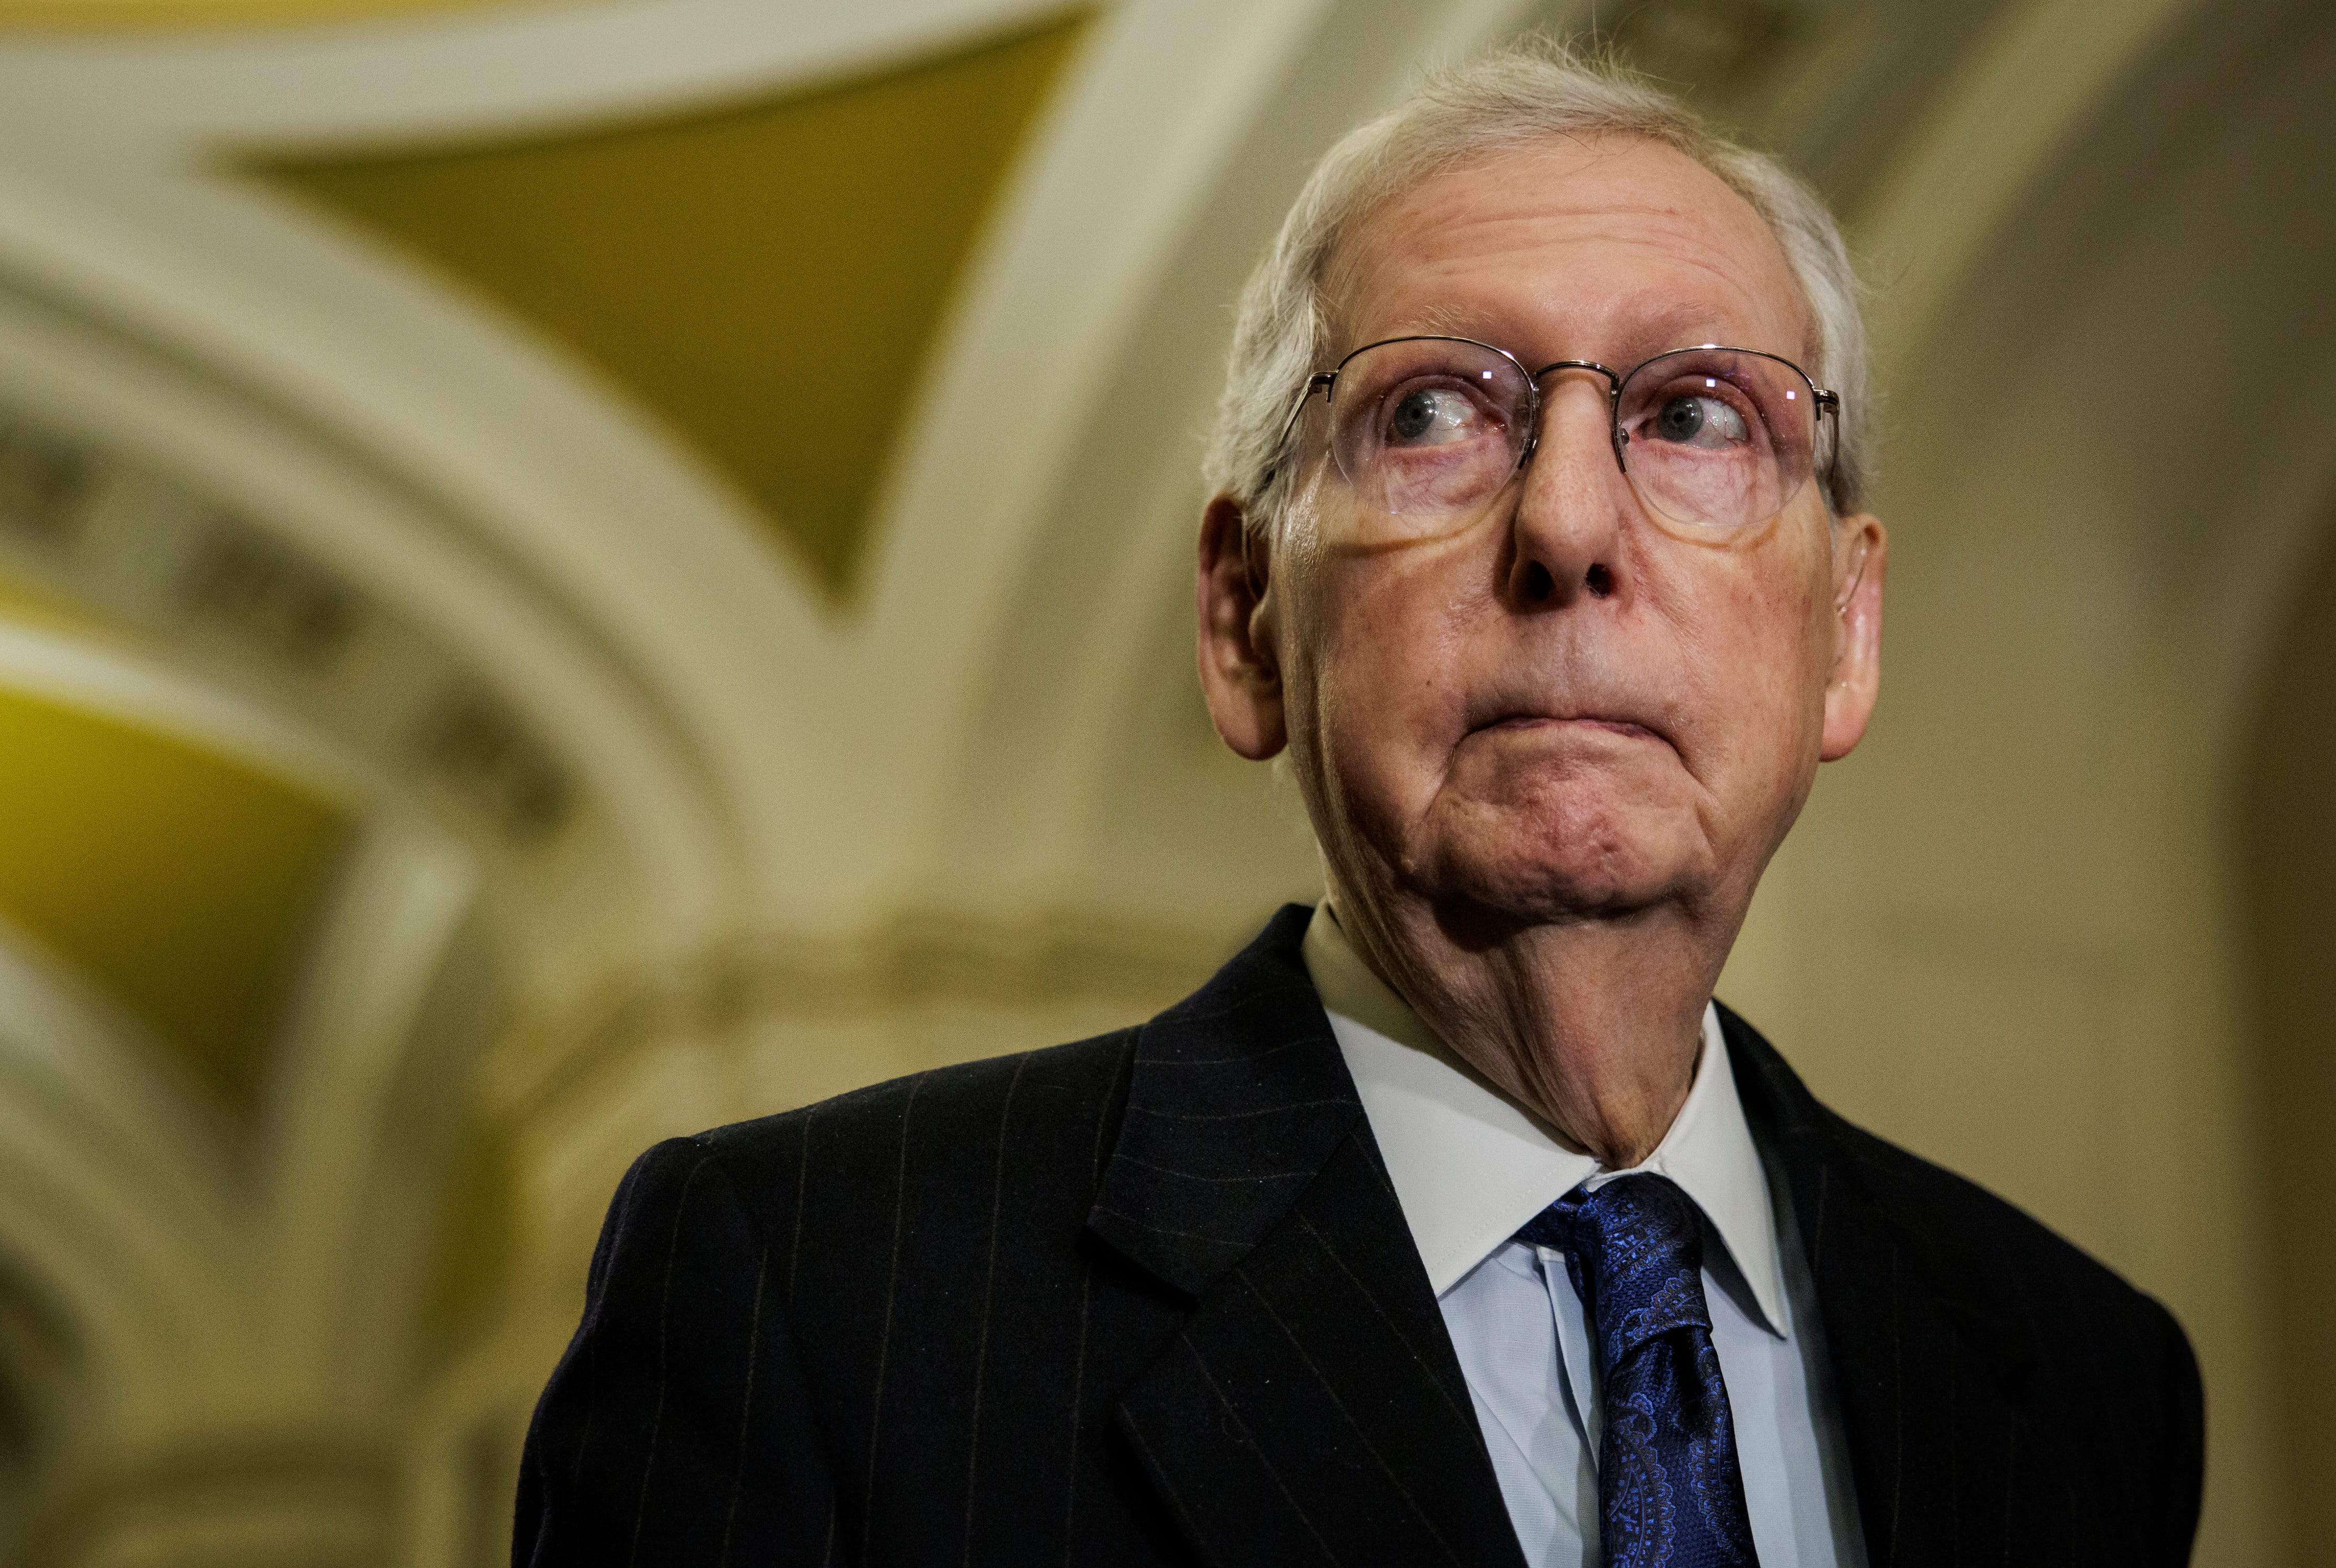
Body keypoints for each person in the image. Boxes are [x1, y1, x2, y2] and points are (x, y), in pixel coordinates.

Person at [512, 44, 2203, 1568]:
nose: (1566, 524)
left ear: (1842, 632)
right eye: (1432, 415)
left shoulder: (2074, 1372)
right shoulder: (814, 1296)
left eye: (1693, 413)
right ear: (1246, 620)